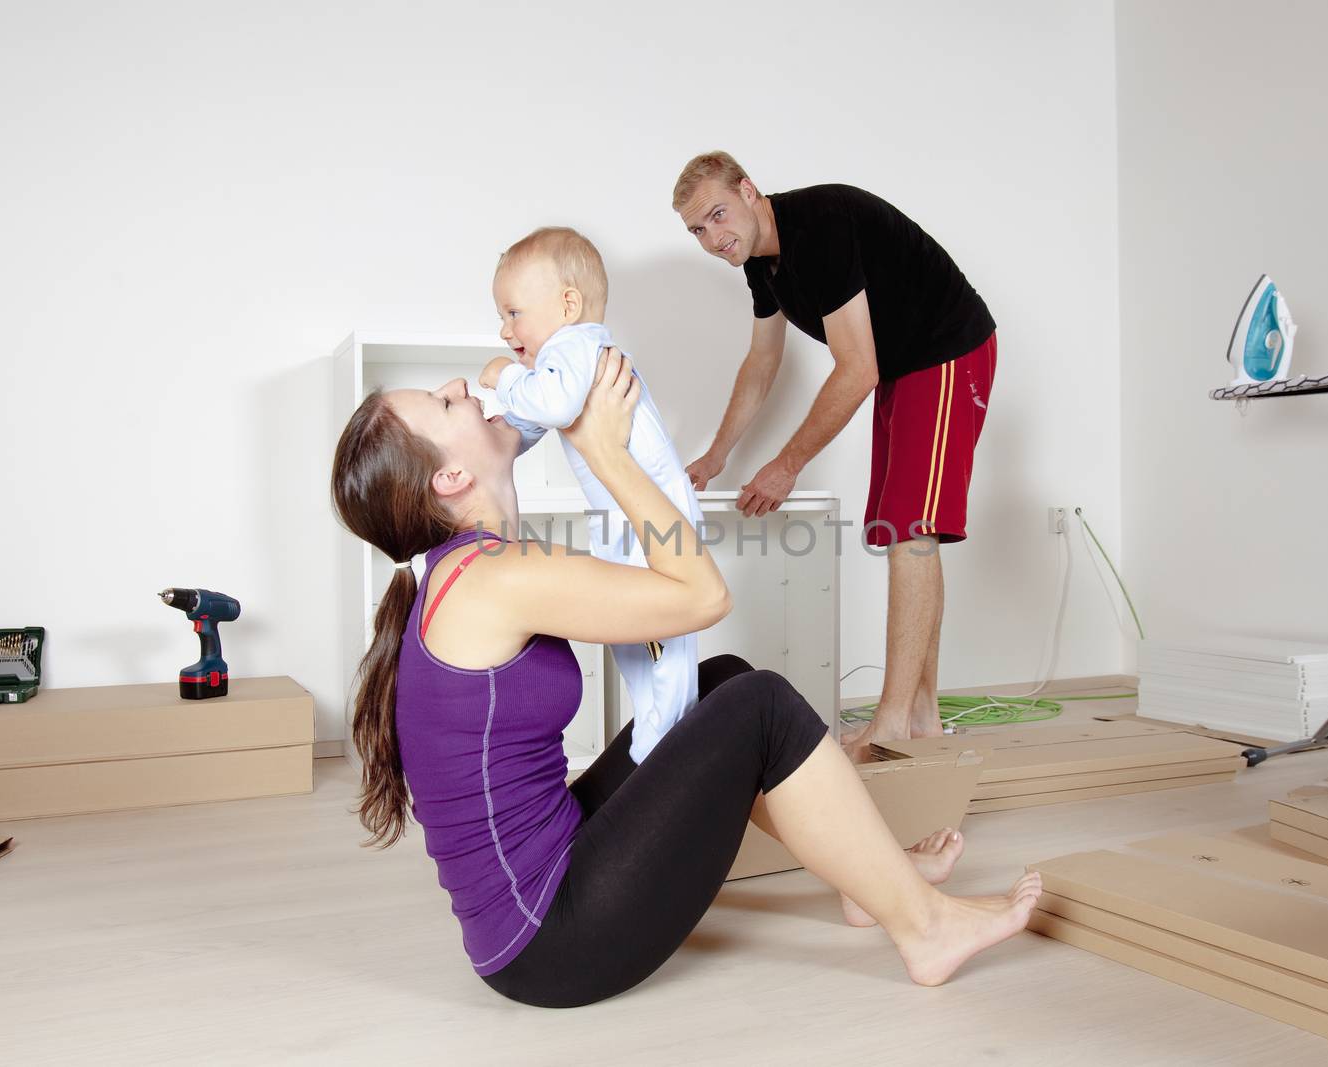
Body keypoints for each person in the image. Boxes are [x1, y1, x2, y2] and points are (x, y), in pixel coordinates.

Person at [329, 349, 1041, 1008]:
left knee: (720, 681)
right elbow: (702, 595)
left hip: (534, 903)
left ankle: (869, 885)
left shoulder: (471, 569)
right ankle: (924, 928)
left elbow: (668, 600)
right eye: (444, 405)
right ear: (449, 479)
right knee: (760, 707)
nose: (461, 388)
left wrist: (576, 414)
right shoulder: (491, 576)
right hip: (549, 941)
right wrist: (612, 457)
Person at [672, 152, 998, 755]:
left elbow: (857, 369)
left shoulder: (817, 226)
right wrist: (717, 454)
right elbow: (762, 362)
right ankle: (920, 716)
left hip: (947, 350)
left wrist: (786, 465)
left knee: (912, 532)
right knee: (903, 528)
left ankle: (895, 721)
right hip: (906, 366)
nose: (714, 238)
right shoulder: (761, 265)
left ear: (749, 191)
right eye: (697, 230)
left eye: (718, 215)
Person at [478, 226, 701, 764]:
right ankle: (653, 723)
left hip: (650, 508)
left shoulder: (575, 343)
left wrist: (505, 377)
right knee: (627, 626)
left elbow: (552, 407)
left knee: (664, 632)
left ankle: (671, 733)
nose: (505, 330)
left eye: (513, 313)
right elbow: (539, 419)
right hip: (622, 511)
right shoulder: (565, 360)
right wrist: (499, 429)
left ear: (568, 304)